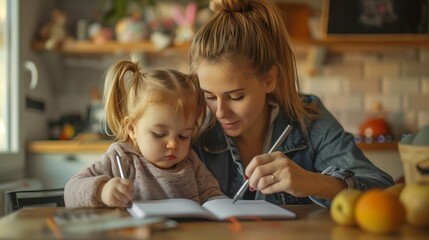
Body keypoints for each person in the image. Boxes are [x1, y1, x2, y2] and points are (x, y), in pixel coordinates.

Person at [189, 0, 394, 207]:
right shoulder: (193, 128)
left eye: (236, 97)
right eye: (210, 97)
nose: (220, 112)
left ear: (269, 79)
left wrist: (313, 182)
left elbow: (383, 189)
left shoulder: (309, 119)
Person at [64, 58, 225, 207]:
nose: (173, 144)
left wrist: (224, 208)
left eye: (183, 136)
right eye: (159, 134)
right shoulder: (122, 157)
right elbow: (71, 190)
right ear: (132, 129)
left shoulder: (190, 161)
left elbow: (213, 195)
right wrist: (102, 191)